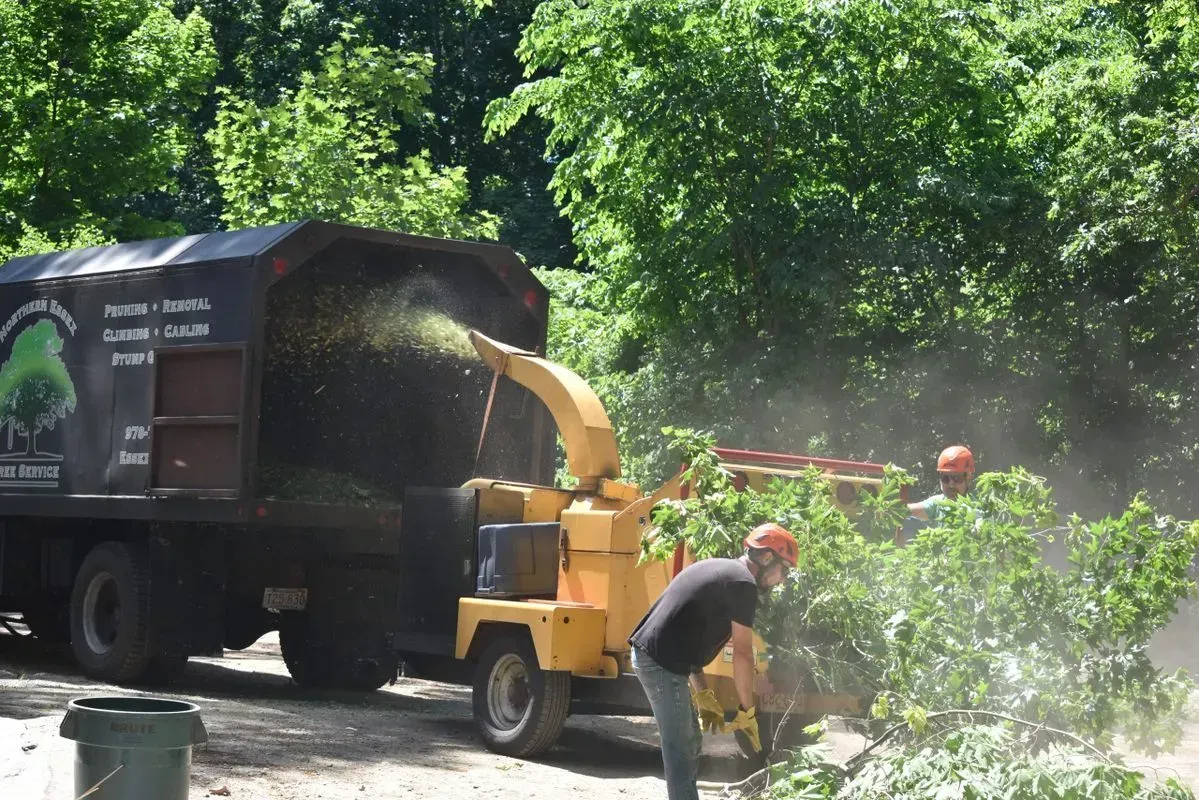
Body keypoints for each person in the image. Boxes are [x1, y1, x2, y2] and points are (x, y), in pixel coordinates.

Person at [628, 523, 799, 800]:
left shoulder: (727, 573)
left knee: (691, 740)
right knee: (680, 748)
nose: (783, 580)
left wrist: (704, 694)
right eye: (785, 570)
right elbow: (742, 655)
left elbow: (690, 639)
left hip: (663, 657)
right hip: (658, 660)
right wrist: (747, 711)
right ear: (767, 558)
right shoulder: (742, 584)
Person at [907, 444, 975, 522]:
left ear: (969, 479)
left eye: (957, 478)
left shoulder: (978, 509)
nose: (951, 484)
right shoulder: (938, 504)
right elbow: (906, 510)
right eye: (945, 478)